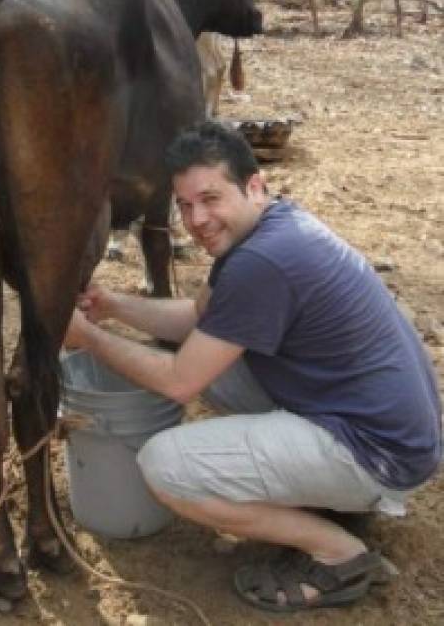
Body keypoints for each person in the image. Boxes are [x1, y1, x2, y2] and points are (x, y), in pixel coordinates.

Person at [64, 119, 441, 614]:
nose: (197, 219)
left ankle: (339, 553)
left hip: (380, 452)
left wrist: (89, 339)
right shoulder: (268, 226)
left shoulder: (262, 262)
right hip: (378, 421)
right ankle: (322, 490)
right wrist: (114, 306)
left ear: (254, 185)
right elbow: (198, 319)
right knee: (209, 358)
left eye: (210, 198)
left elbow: (180, 383)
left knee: (165, 466)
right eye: (185, 205)